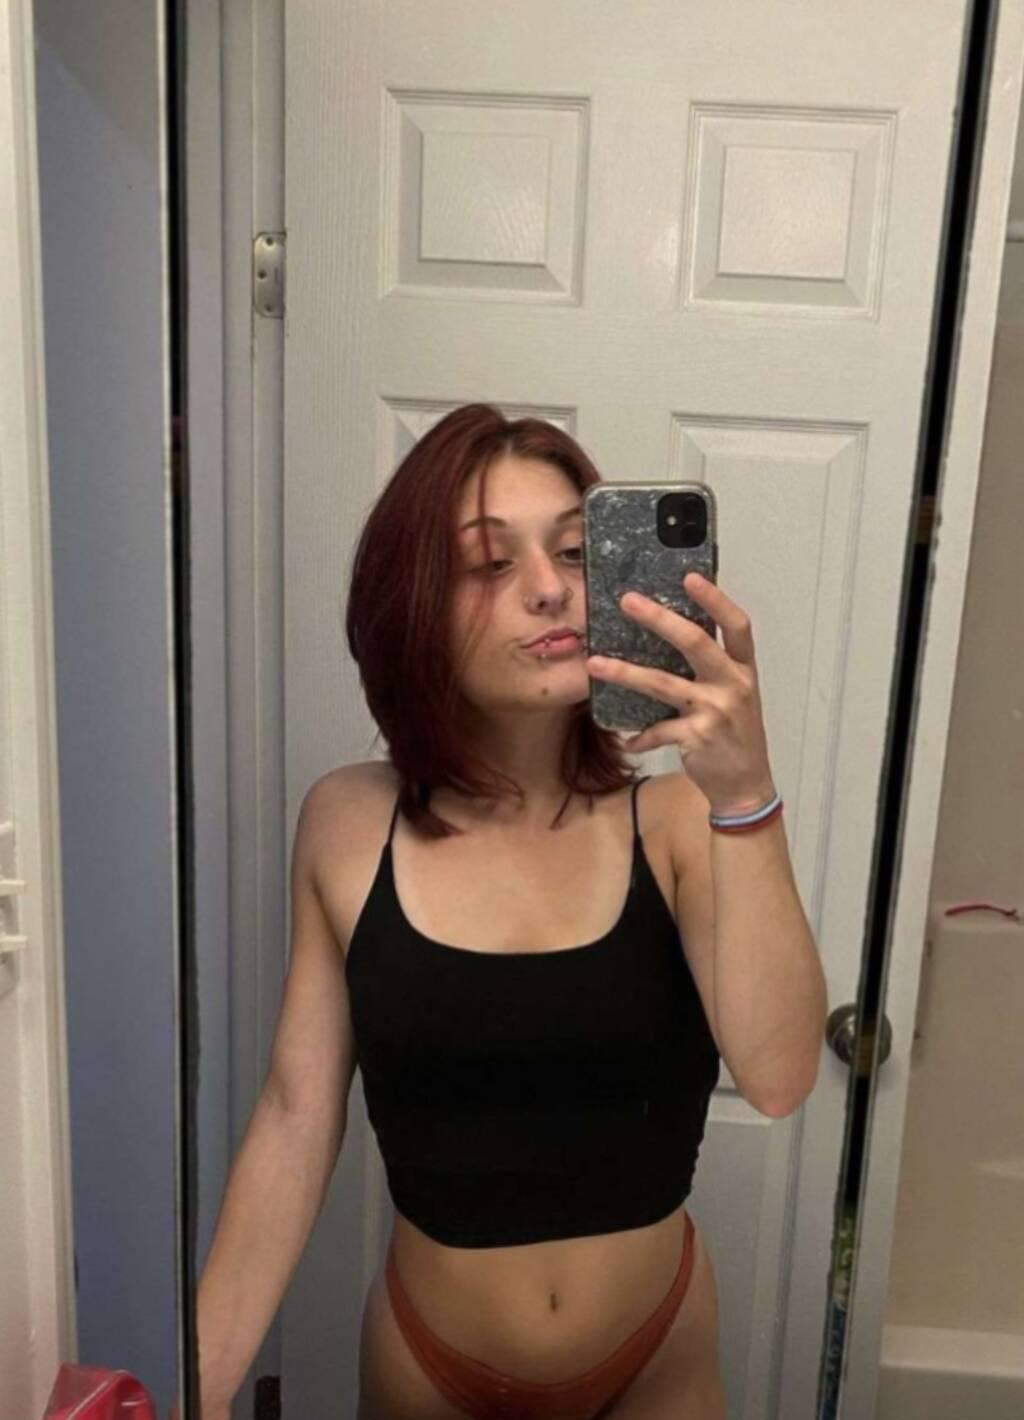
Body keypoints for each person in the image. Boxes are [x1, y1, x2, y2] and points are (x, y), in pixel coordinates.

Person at [174, 404, 826, 1420]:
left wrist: (746, 795)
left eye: (572, 551)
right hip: (430, 1366)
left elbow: (780, 1077)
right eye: (489, 563)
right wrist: (198, 1384)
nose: (550, 587)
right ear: (411, 604)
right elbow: (297, 1111)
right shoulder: (348, 823)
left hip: (655, 1358)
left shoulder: (678, 823)